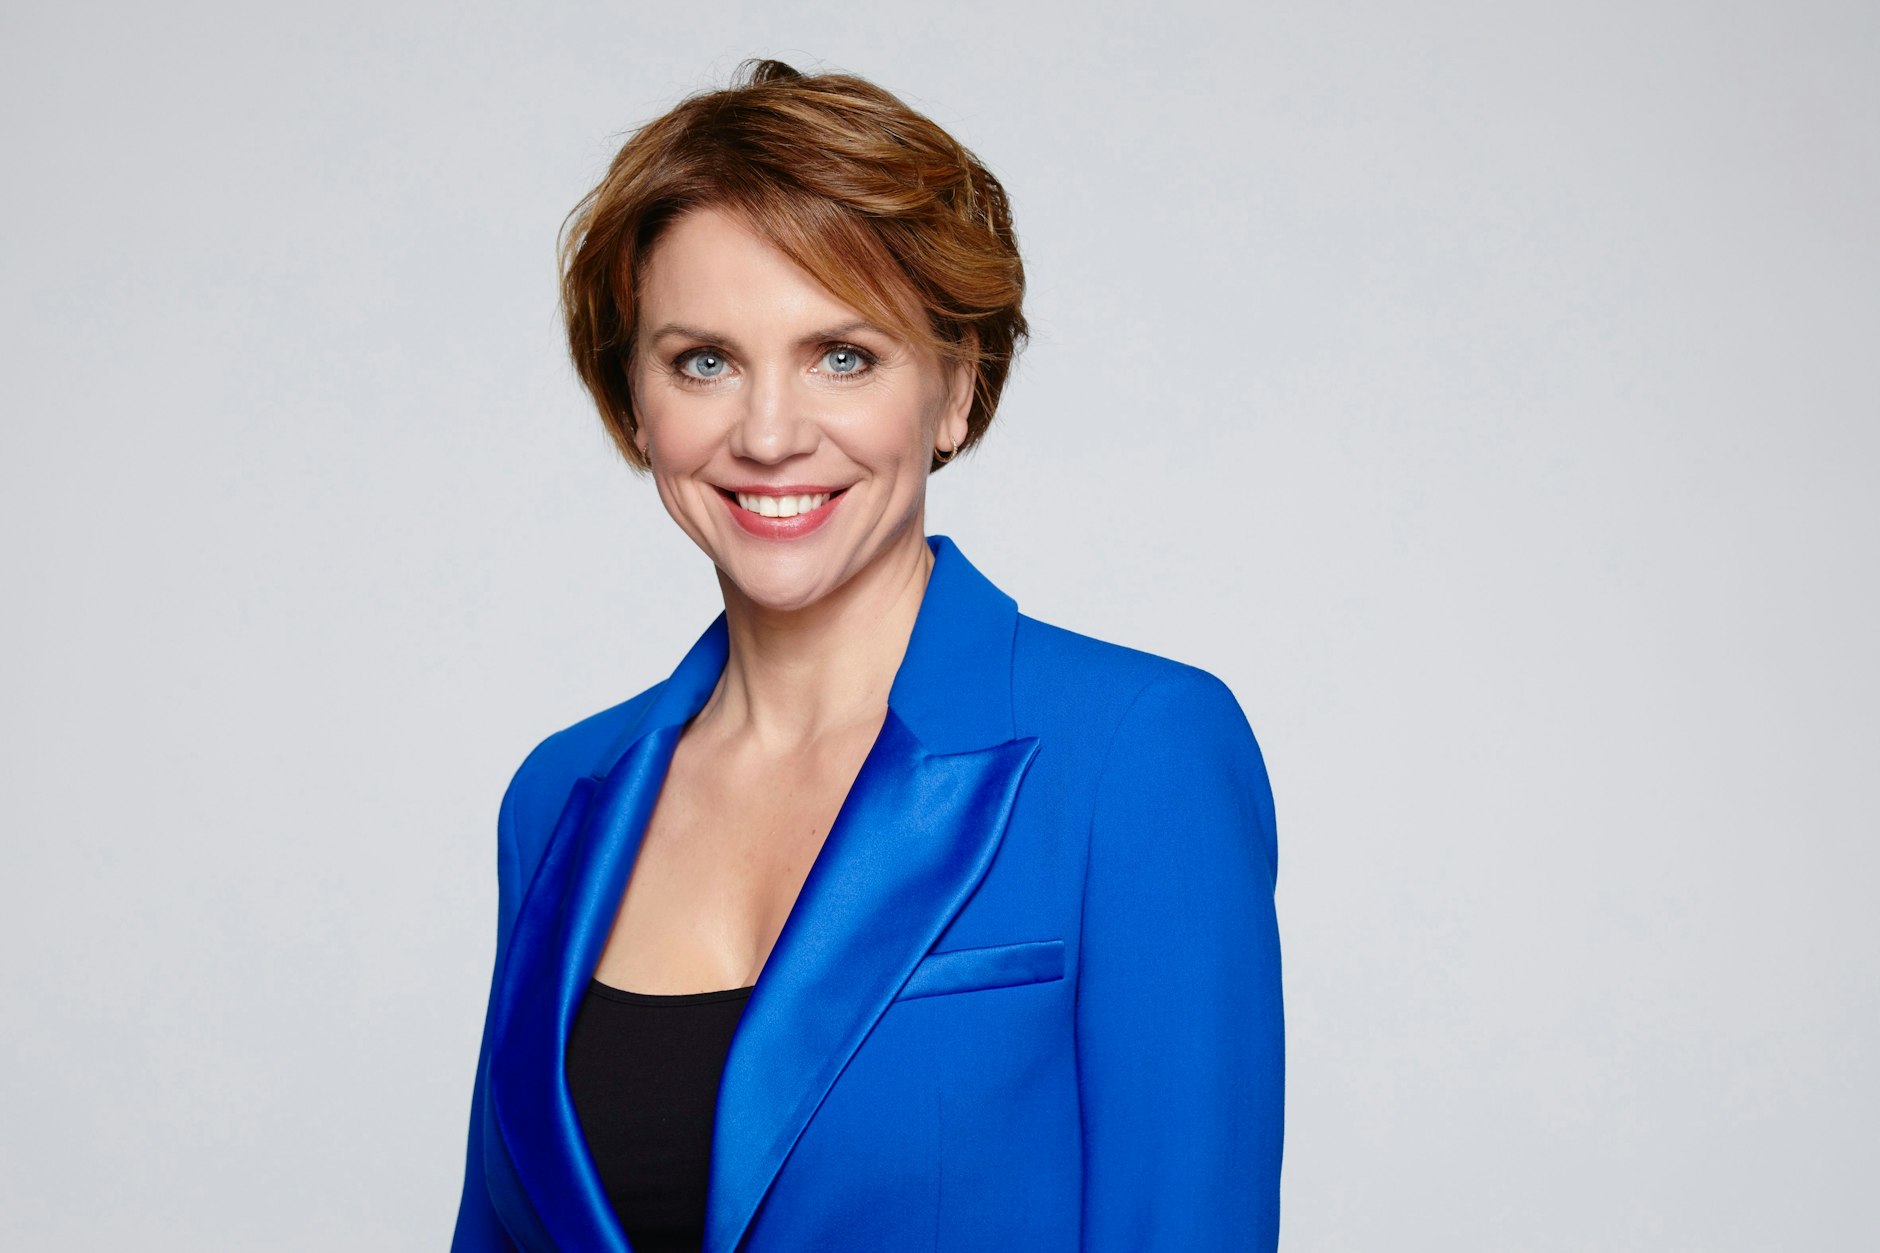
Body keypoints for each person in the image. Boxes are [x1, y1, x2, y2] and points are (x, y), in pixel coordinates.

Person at [450, 59, 1283, 1253]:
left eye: (841, 354)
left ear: (955, 388)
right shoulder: (557, 794)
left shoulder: (1133, 753)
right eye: (703, 360)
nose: (768, 433)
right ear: (633, 401)